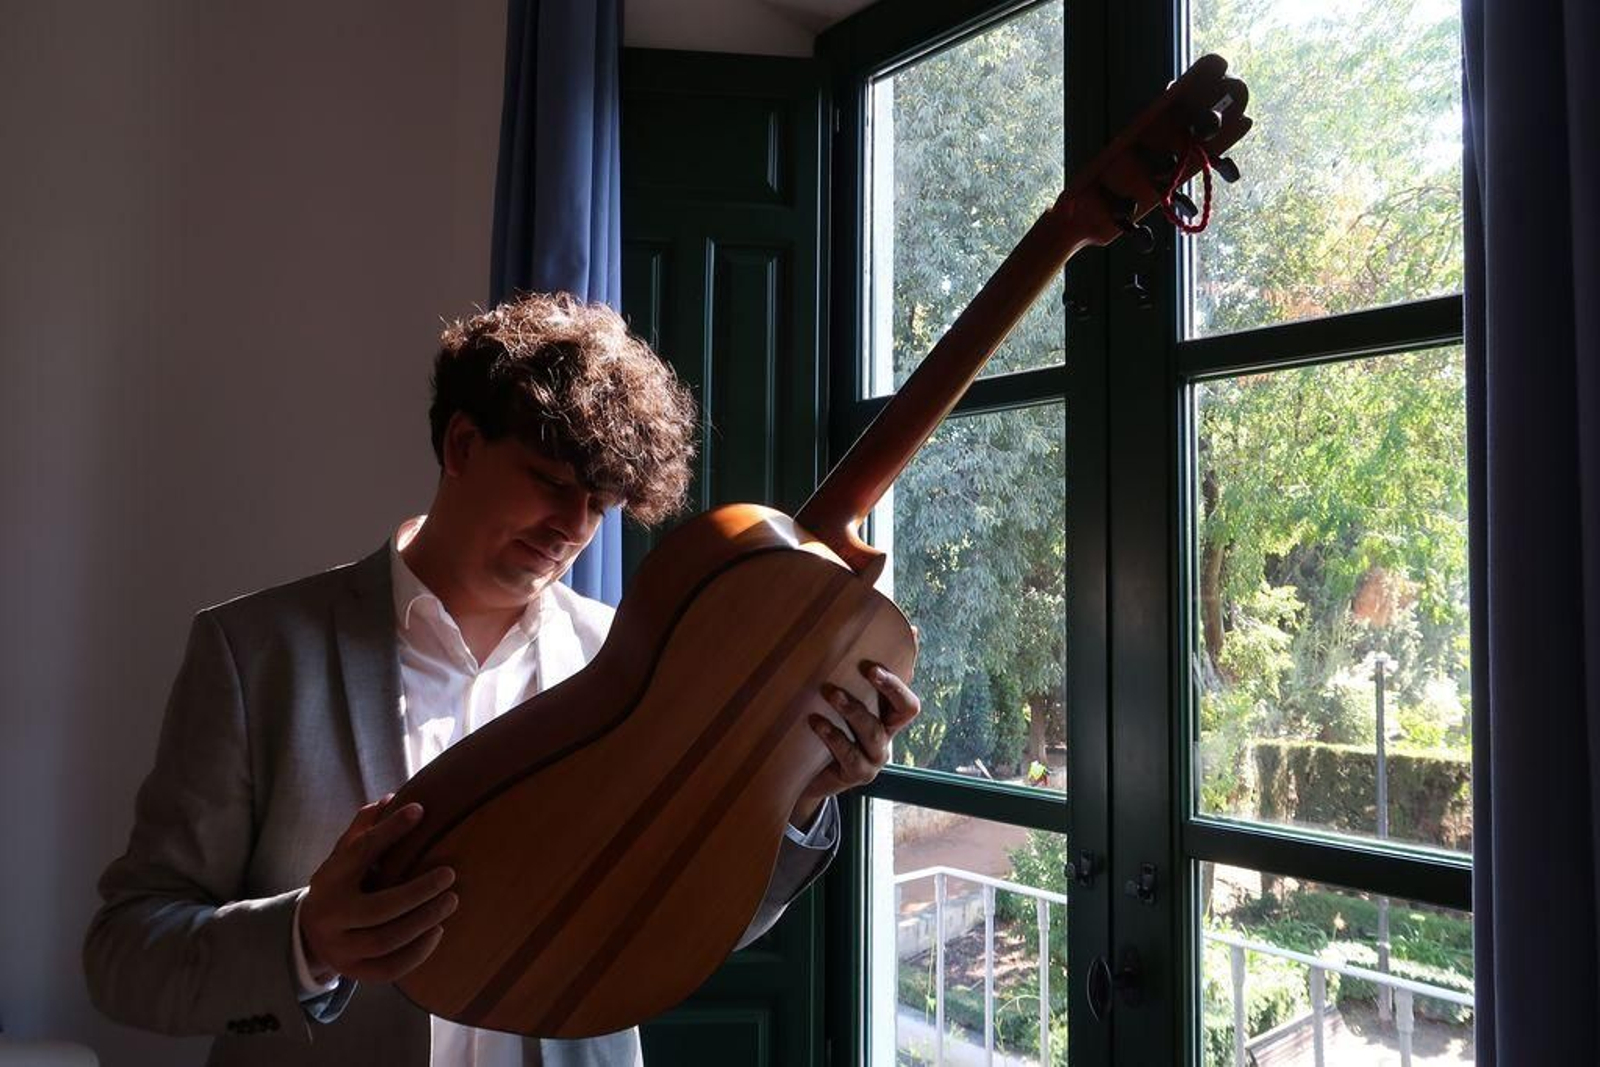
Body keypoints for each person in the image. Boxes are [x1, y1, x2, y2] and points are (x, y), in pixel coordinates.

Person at [84, 292, 922, 1067]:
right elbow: (126, 955)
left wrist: (798, 795)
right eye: (552, 484)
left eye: (600, 503)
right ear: (459, 445)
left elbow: (684, 918)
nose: (573, 529)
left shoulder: (632, 658)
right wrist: (307, 938)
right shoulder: (253, 652)